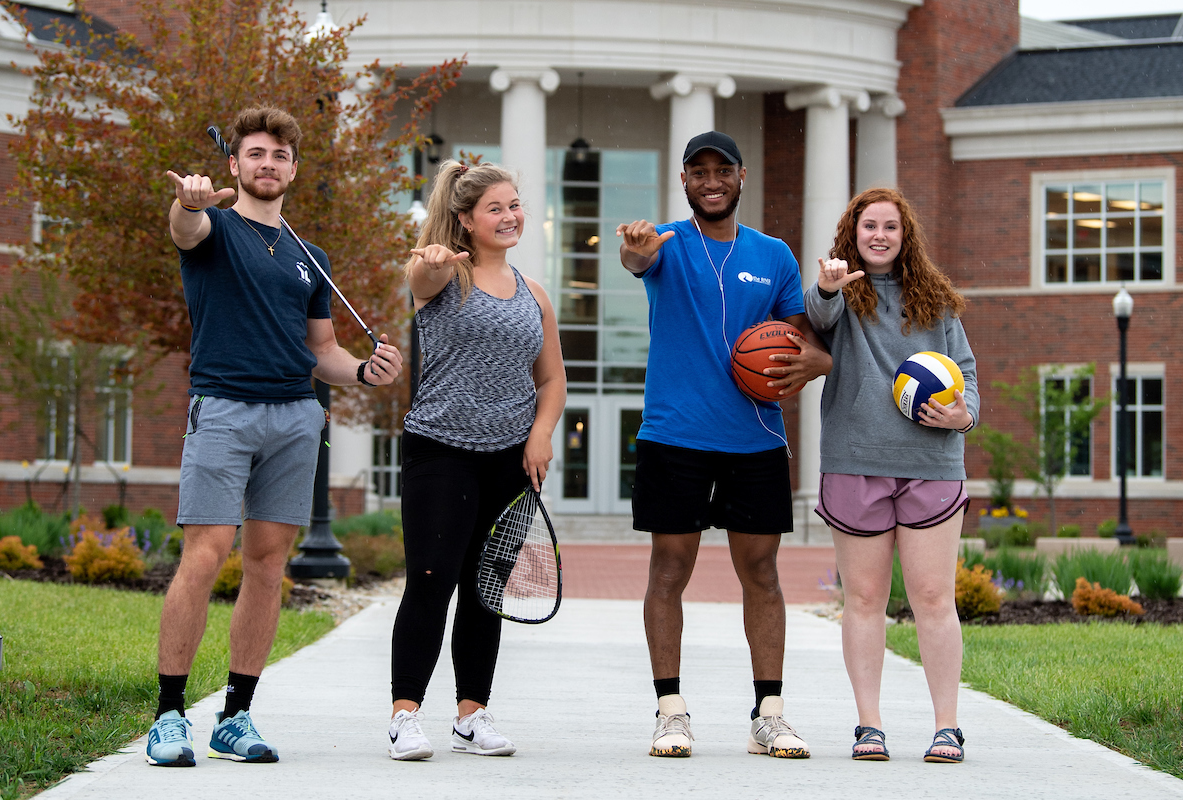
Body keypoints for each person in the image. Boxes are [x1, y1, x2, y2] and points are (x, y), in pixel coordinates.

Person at [146, 105, 402, 767]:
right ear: (234, 163)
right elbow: (184, 228)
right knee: (204, 556)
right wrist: (189, 201)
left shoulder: (307, 257)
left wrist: (367, 372)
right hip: (224, 409)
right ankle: (168, 716)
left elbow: (324, 351)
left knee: (266, 569)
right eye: (255, 154)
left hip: (295, 416)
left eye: (279, 156)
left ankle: (236, 715)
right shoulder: (215, 228)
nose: (268, 165)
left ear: (293, 169)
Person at [616, 131, 831, 759]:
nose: (711, 180)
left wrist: (814, 366)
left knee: (761, 572)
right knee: (669, 569)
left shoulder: (774, 255)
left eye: (722, 170)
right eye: (698, 171)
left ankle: (770, 712)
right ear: (684, 181)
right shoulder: (663, 243)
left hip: (754, 437)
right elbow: (635, 262)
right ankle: (670, 709)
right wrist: (632, 250)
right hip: (674, 434)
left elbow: (800, 343)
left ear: (742, 178)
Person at [386, 160, 566, 761]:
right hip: (440, 453)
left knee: (484, 592)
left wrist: (540, 437)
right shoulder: (441, 278)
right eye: (496, 207)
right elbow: (420, 275)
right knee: (430, 583)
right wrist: (431, 262)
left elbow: (552, 381)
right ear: (465, 219)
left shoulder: (534, 294)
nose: (511, 216)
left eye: (515, 205)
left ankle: (471, 715)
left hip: (508, 463)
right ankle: (404, 716)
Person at [805, 187, 978, 764]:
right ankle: (869, 726)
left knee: (933, 599)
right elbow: (817, 318)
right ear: (852, 234)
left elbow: (968, 374)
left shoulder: (937, 302)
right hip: (855, 462)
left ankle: (947, 727)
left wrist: (963, 413)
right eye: (868, 226)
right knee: (864, 599)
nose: (878, 236)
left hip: (931, 465)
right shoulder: (840, 294)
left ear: (906, 237)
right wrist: (830, 284)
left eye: (890, 228)